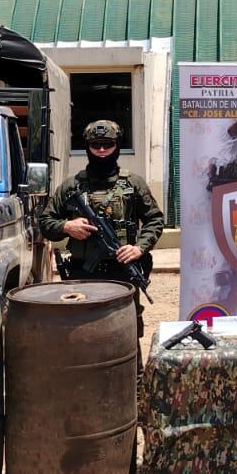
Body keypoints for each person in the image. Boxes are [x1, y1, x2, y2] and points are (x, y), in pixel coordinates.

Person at [40, 120, 165, 334]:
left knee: (126, 329)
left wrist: (139, 248)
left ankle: (133, 369)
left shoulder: (133, 184)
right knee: (80, 329)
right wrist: (67, 226)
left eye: (107, 144)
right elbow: (45, 222)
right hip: (82, 273)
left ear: (117, 146)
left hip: (122, 272)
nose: (101, 150)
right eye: (95, 144)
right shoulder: (71, 186)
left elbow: (154, 219)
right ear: (87, 146)